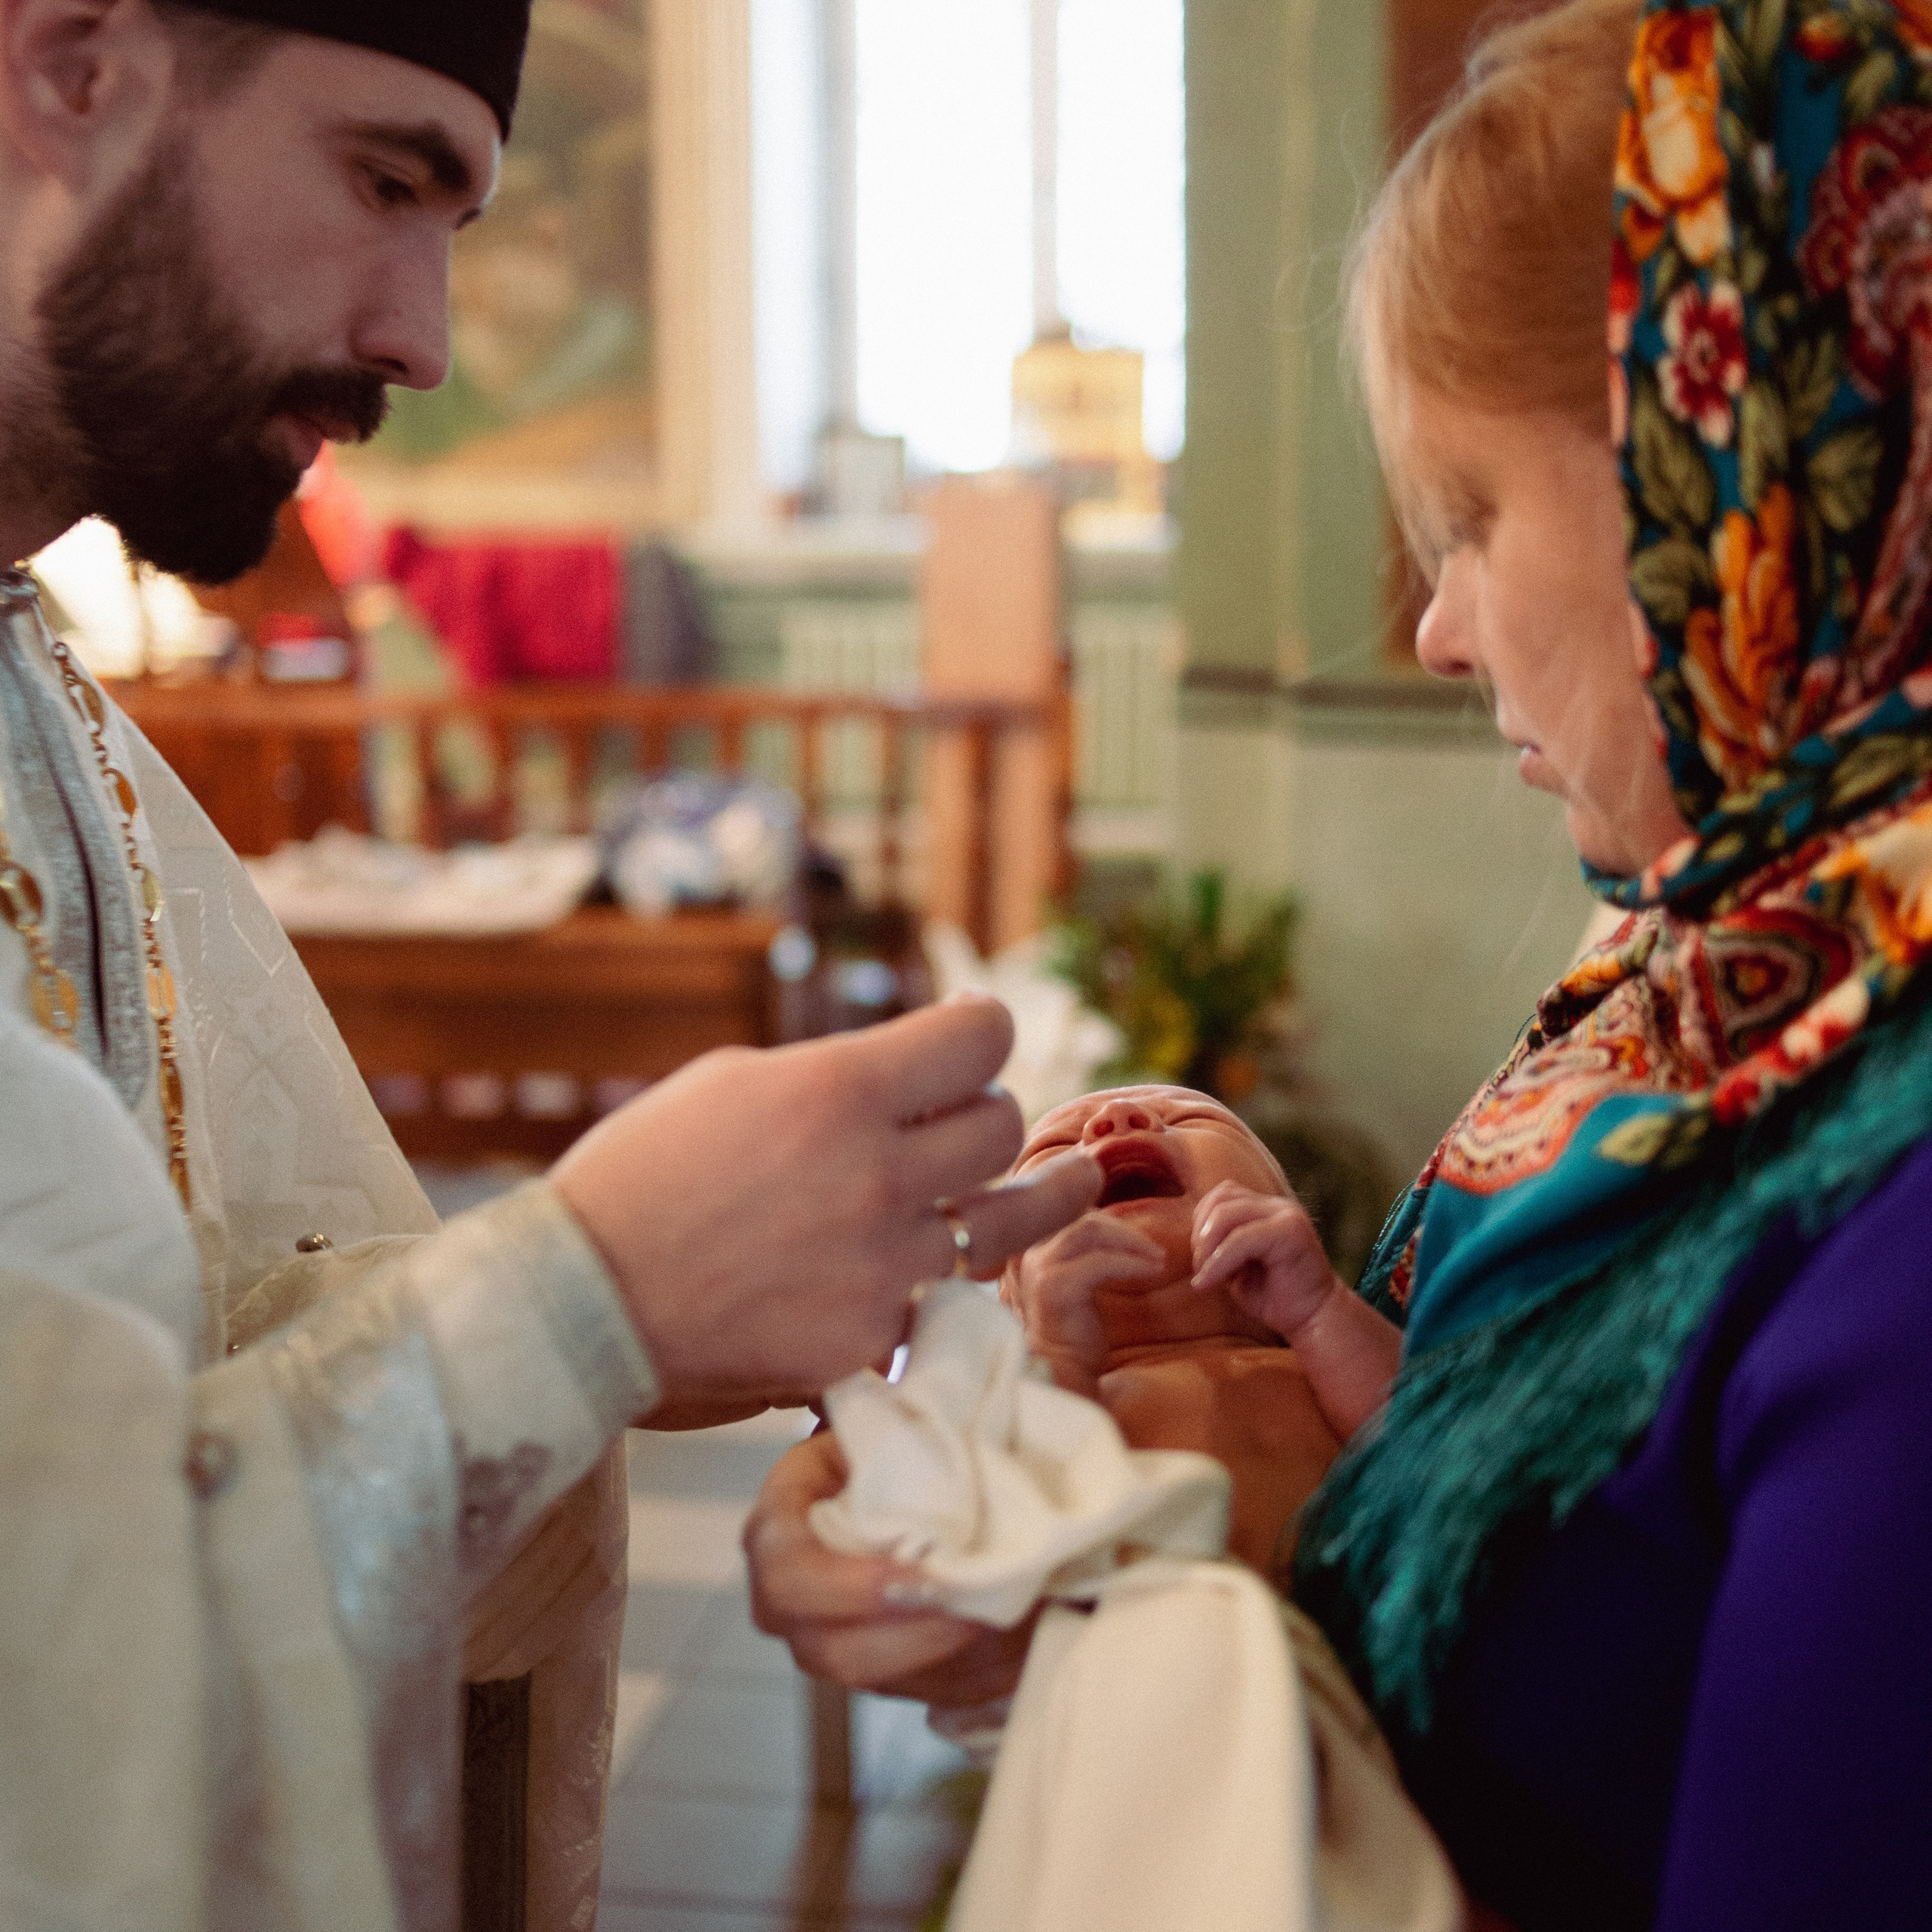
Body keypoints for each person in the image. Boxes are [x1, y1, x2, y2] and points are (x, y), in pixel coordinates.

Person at [747, 4, 1932, 1926]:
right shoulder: (1737, 938)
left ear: (1740, 488)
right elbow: (1555, 1485)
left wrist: (1220, 1542)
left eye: (1469, 514)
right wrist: (1223, 1307)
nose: (1442, 623)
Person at [0, 5, 1101, 1927]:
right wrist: (576, 1297)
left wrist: (649, 1293)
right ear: (70, 58)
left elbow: (149, 1343)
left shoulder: (50, 696)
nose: (422, 338)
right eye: (379, 176)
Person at [996, 1084, 1396, 1569]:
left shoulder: (1325, 1359)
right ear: (1008, 1298)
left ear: (1289, 1216)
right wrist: (1056, 1354)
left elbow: (1428, 1437)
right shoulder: (1040, 1398)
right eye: (1053, 1150)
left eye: (1190, 1118)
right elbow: (1012, 1537)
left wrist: (1320, 1308)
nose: (1117, 1116)